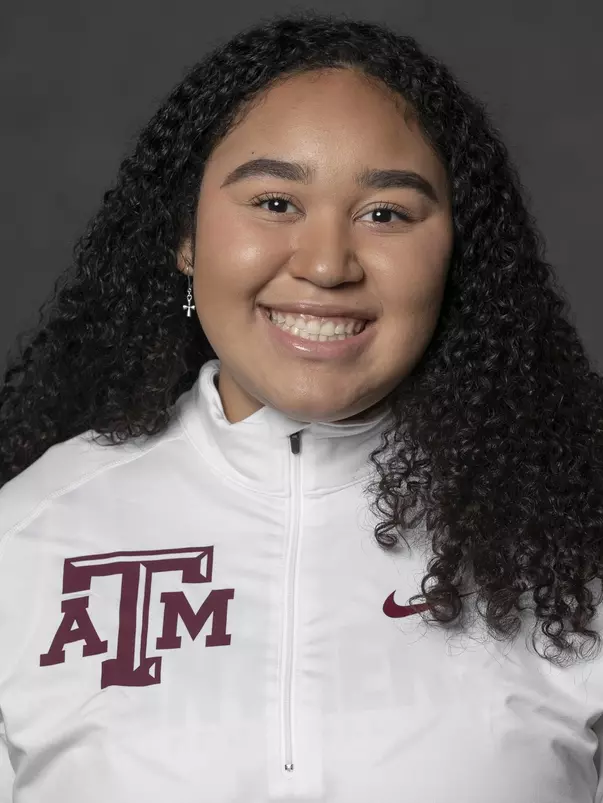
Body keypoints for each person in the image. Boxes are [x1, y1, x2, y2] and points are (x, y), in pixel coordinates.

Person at [0, 10, 602, 803]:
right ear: (186, 236)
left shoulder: (574, 537)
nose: (325, 265)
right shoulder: (28, 536)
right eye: (275, 202)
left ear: (456, 253)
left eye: (385, 213)